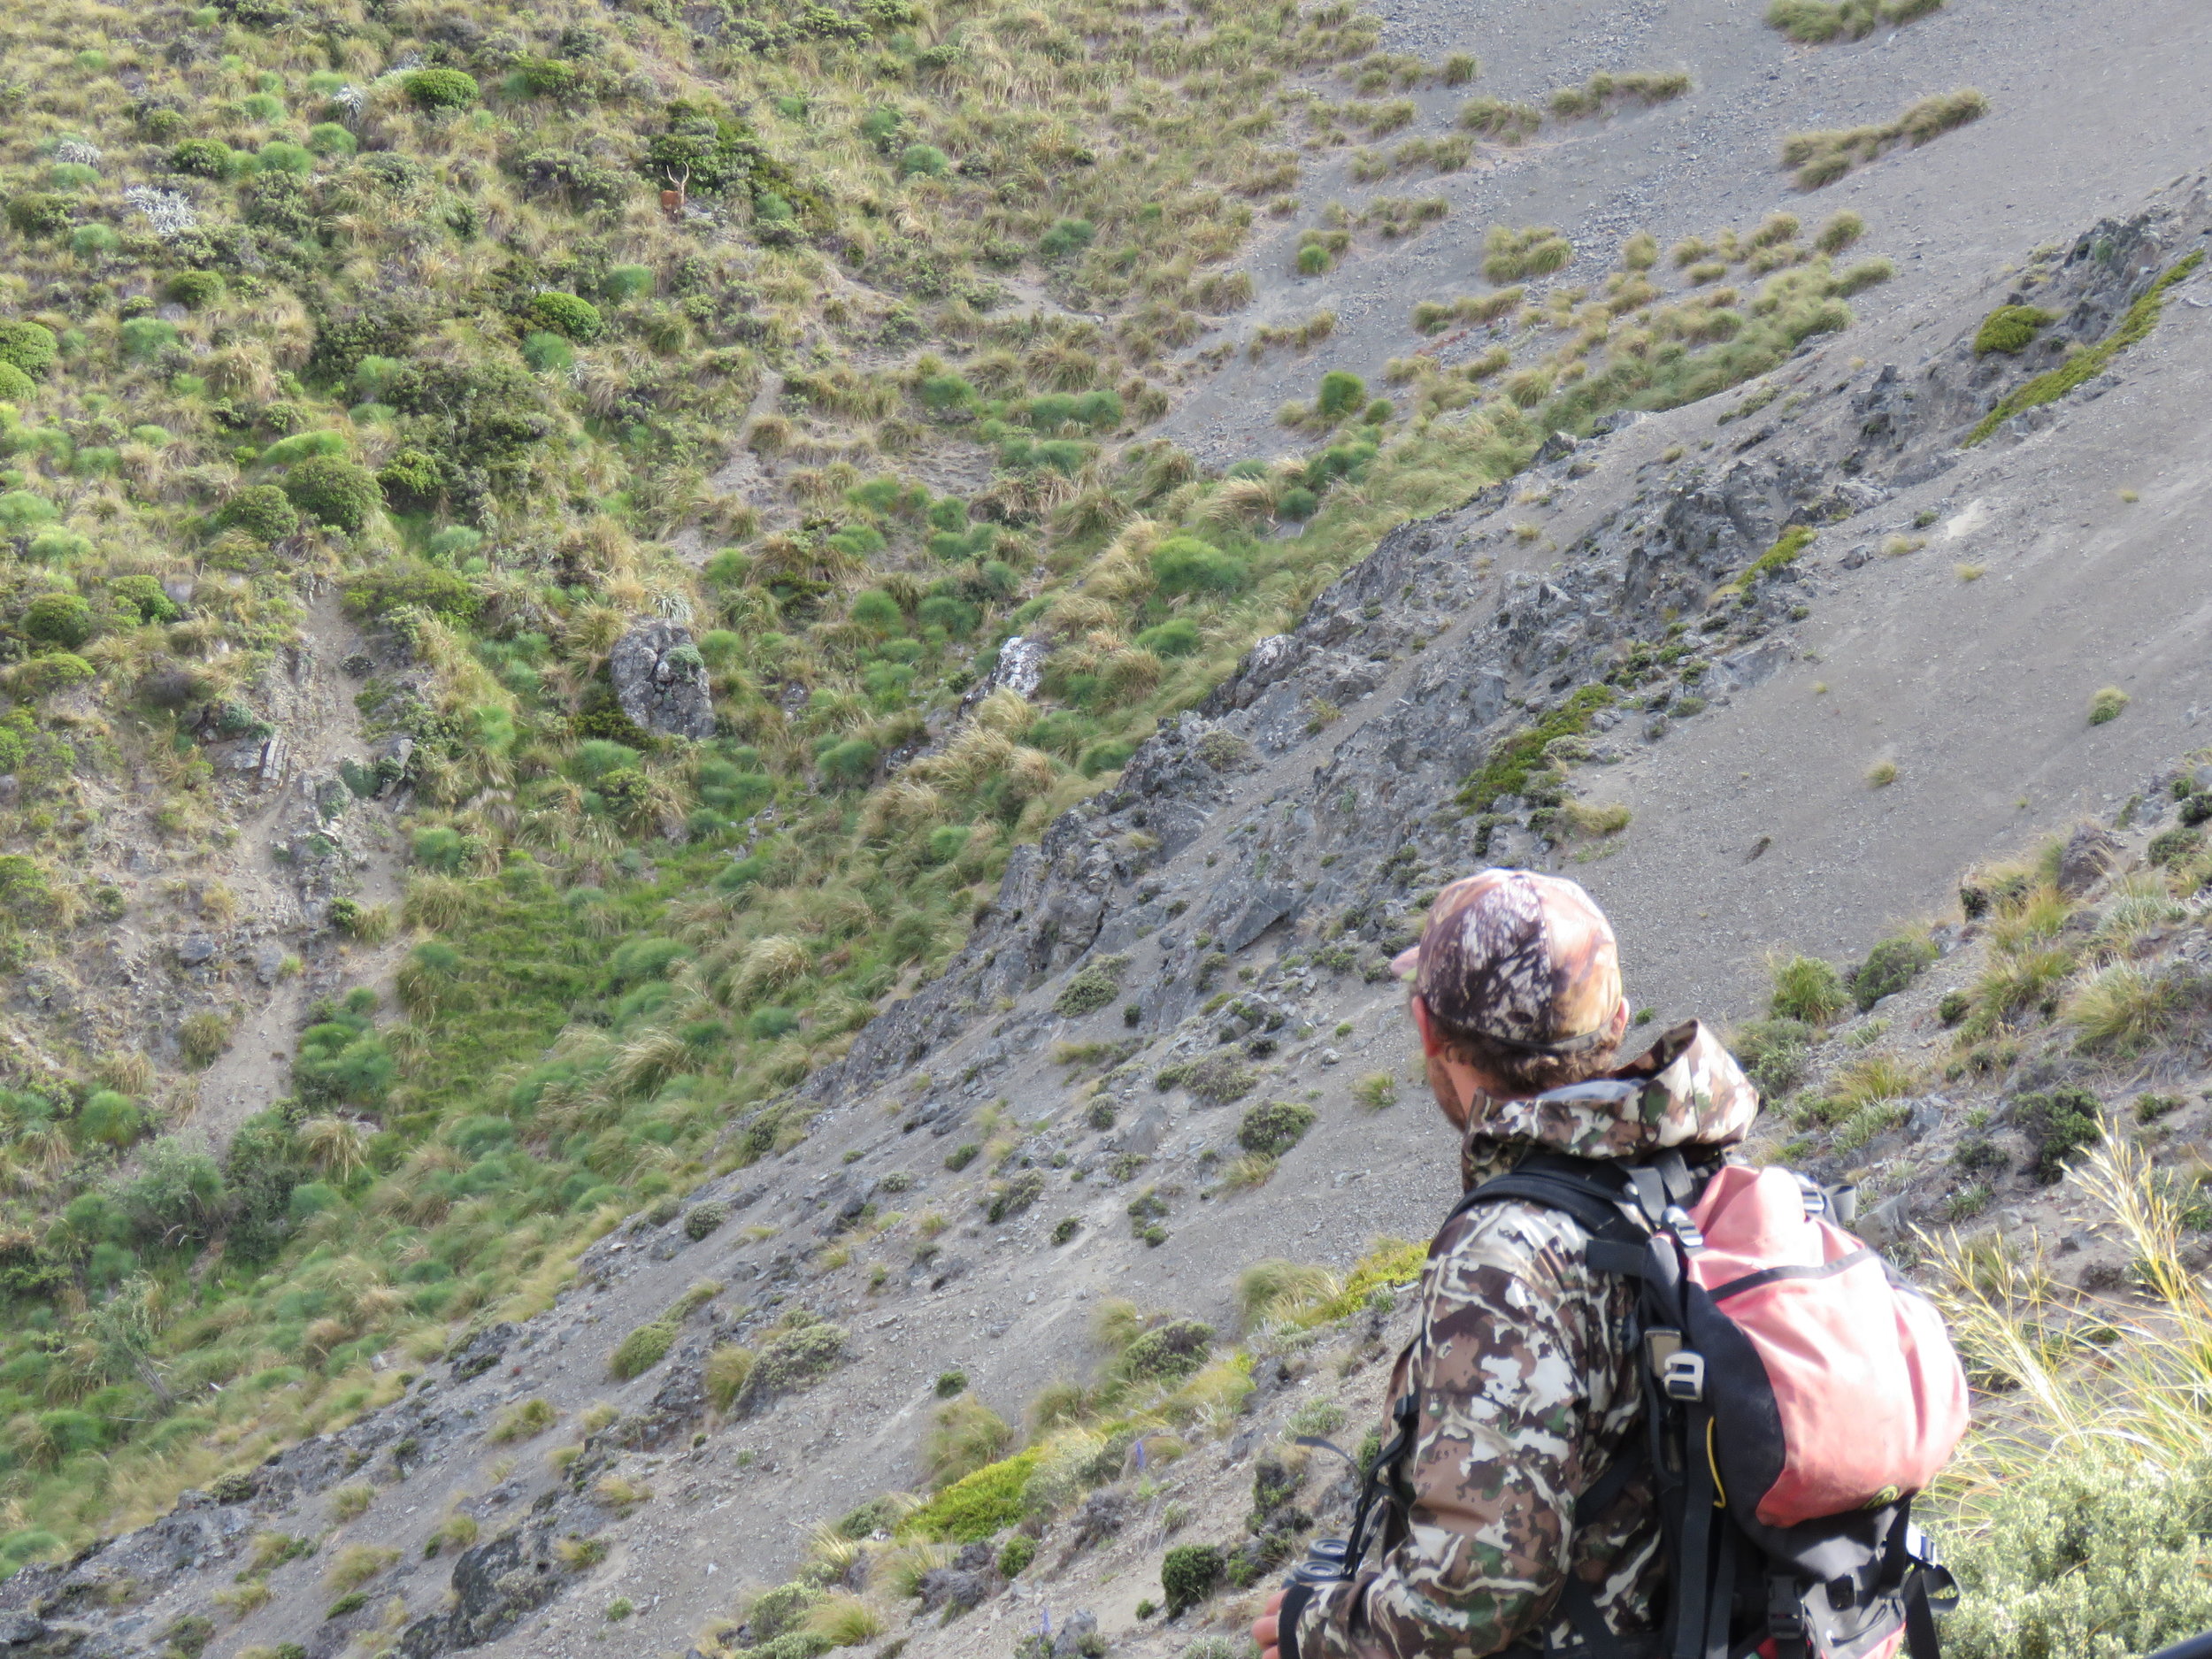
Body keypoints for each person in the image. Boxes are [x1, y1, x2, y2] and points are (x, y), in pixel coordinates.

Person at [1254, 868, 1760, 1659]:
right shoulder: (1702, 1179)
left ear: (1428, 1029)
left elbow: (1480, 1587)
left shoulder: (1504, 1254)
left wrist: (1315, 1628)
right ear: (1618, 1019)